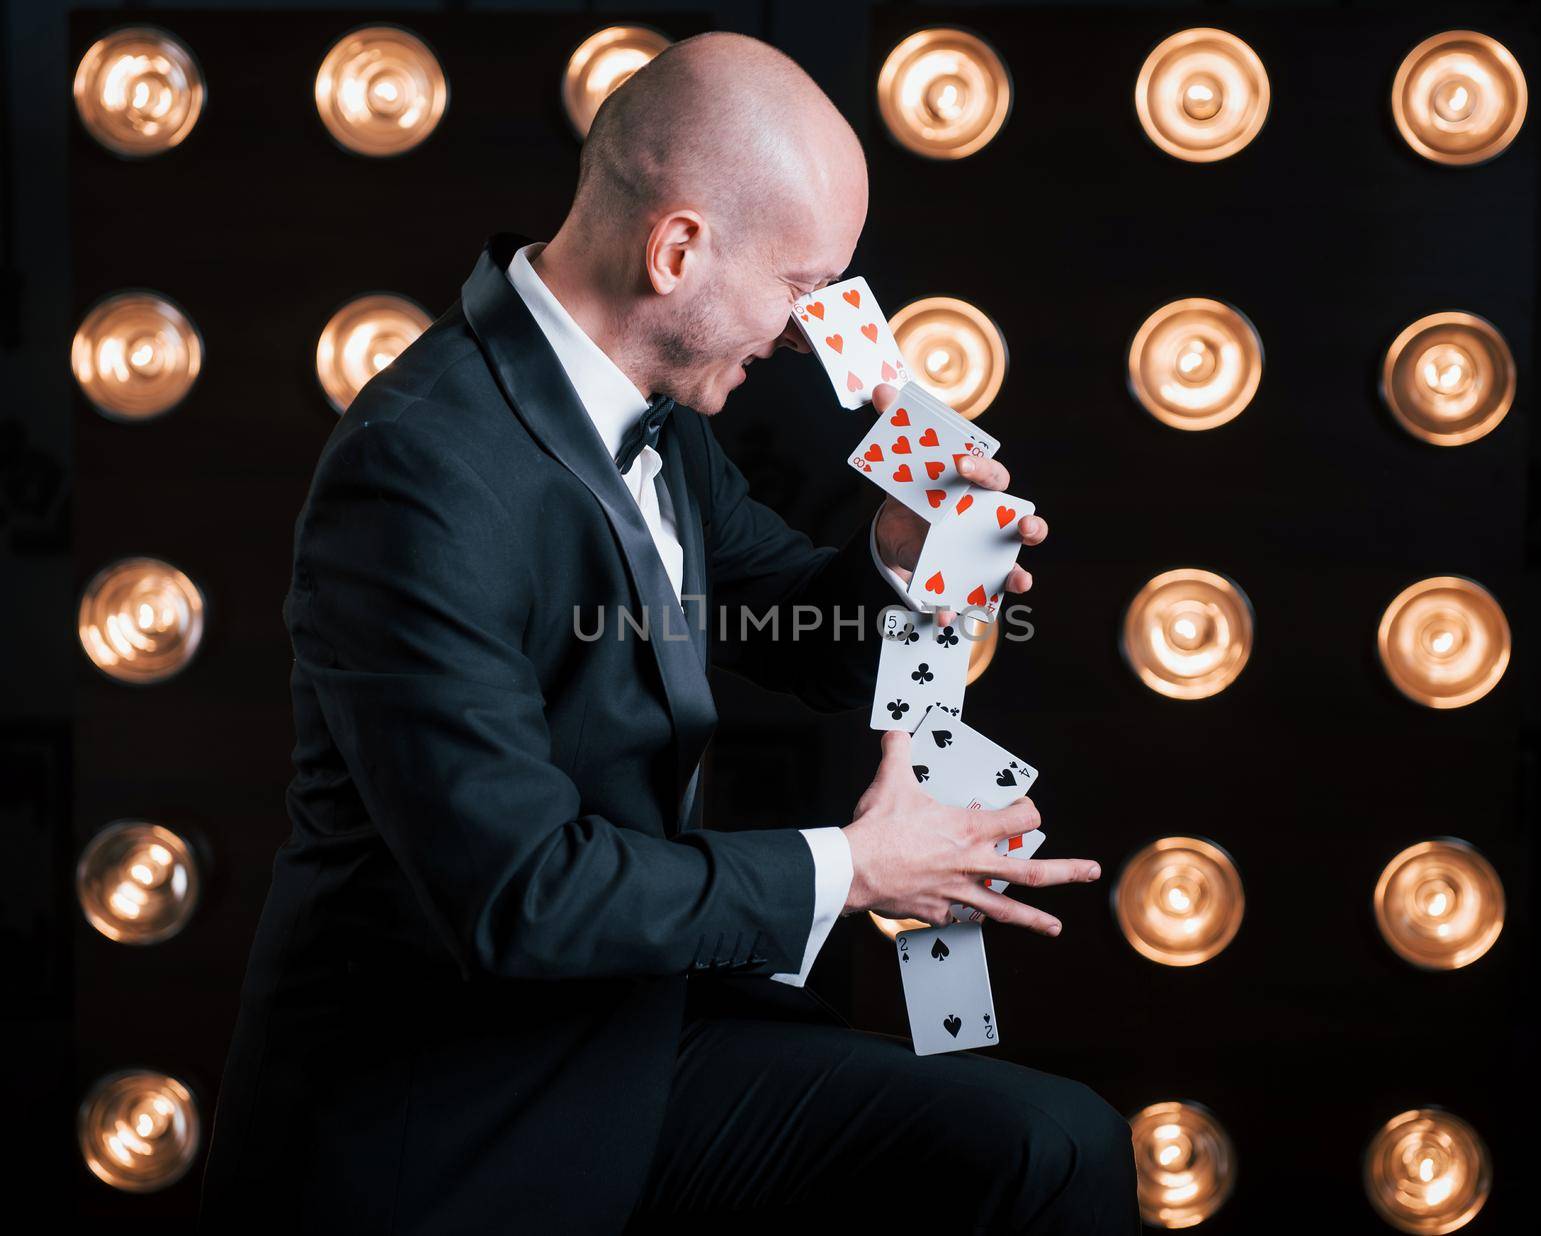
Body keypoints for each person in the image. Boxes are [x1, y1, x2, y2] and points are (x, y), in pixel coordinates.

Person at [200, 30, 1136, 1234]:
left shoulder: (653, 417)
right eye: (807, 287)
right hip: (453, 1105)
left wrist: (903, 557)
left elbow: (805, 634)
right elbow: (522, 896)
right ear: (677, 249)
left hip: (633, 1032)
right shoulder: (418, 475)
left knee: (1048, 1151)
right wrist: (858, 871)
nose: (816, 331)